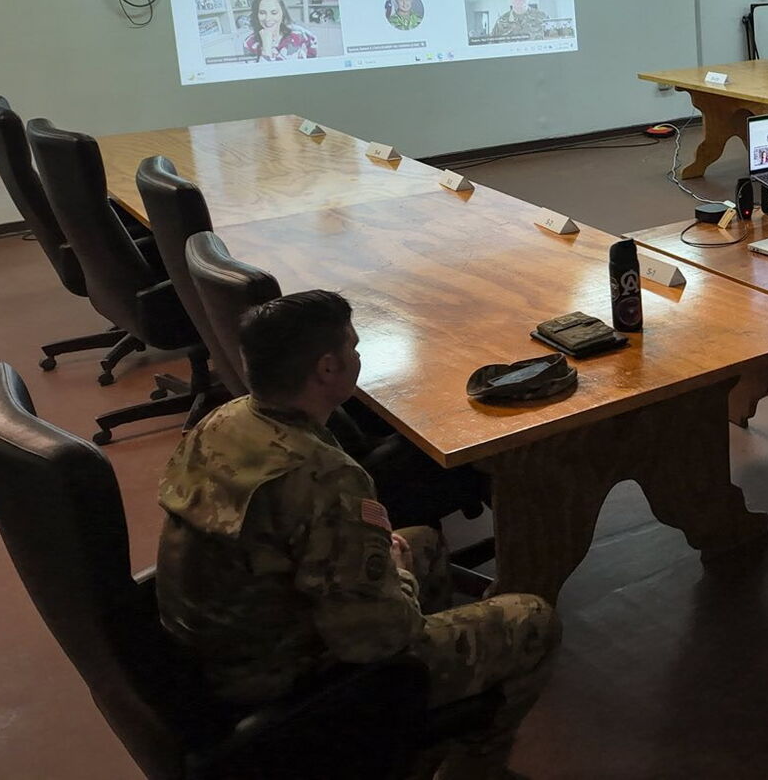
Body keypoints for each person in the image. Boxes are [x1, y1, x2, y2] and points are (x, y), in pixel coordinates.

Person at [156, 291, 559, 778]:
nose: (359, 355)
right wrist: (400, 579)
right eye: (354, 346)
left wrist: (389, 570)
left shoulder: (224, 420)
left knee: (424, 544)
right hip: (289, 679)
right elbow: (374, 639)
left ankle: (408, 743)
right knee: (533, 619)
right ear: (327, 368)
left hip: (223, 647)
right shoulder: (326, 477)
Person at [242, 0, 318, 61]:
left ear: (282, 14)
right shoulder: (249, 43)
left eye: (274, 13)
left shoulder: (298, 33)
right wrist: (266, 49)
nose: (268, 18)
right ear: (256, 15)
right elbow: (257, 74)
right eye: (262, 13)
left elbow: (313, 41)